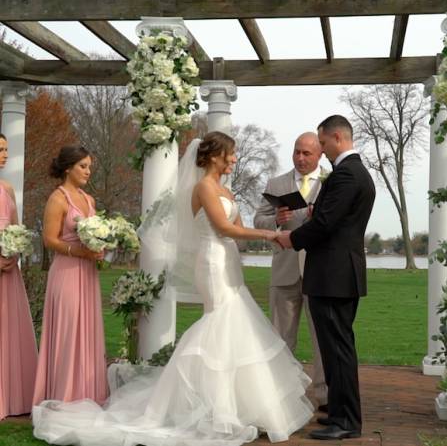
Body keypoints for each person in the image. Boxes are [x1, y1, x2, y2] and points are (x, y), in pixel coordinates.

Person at [33, 132, 313, 446]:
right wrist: (269, 235)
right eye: (231, 154)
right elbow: (222, 228)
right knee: (221, 323)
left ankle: (236, 407)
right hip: (212, 263)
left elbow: (234, 226)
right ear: (215, 156)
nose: (234, 159)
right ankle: (213, 410)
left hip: (229, 261)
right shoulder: (204, 187)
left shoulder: (223, 189)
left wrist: (271, 226)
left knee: (233, 327)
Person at [277, 115, 376, 440]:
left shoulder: (347, 174)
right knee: (335, 349)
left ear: (336, 138)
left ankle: (347, 421)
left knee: (338, 349)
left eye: (321, 143)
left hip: (333, 275)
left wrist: (293, 239)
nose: (320, 150)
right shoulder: (352, 173)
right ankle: (338, 413)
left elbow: (325, 223)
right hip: (336, 274)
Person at [253, 132, 328, 410]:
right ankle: (281, 396)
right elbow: (258, 219)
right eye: (296, 152)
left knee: (322, 339)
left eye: (306, 153)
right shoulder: (277, 183)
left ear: (320, 153)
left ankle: (324, 397)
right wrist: (276, 220)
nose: (300, 157)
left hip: (319, 272)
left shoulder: (331, 182)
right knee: (280, 338)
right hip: (284, 270)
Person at [33, 145, 108, 407]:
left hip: (87, 274)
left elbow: (96, 233)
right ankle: (63, 397)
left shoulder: (89, 200)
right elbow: (49, 240)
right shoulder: (58, 198)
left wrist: (102, 245)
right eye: (83, 166)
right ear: (68, 168)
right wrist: (80, 252)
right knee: (68, 331)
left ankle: (87, 395)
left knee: (87, 329)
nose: (88, 171)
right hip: (65, 272)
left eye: (89, 166)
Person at [0, 133, 38, 420]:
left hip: (8, 271)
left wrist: (14, 253)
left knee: (8, 330)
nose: (4, 155)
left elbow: (16, 228)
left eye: (5, 149)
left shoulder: (8, 189)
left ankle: (12, 397)